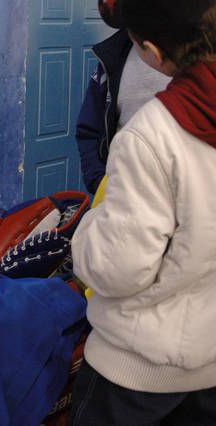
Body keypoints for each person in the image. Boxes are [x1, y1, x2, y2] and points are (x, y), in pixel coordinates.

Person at [71, 0, 216, 424]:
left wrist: (87, 231)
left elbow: (118, 269)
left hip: (137, 373)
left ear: (152, 51)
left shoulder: (152, 135)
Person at [76, 28, 171, 194]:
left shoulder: (200, 60)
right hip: (118, 192)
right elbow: (89, 129)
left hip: (182, 198)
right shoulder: (114, 56)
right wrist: (99, 181)